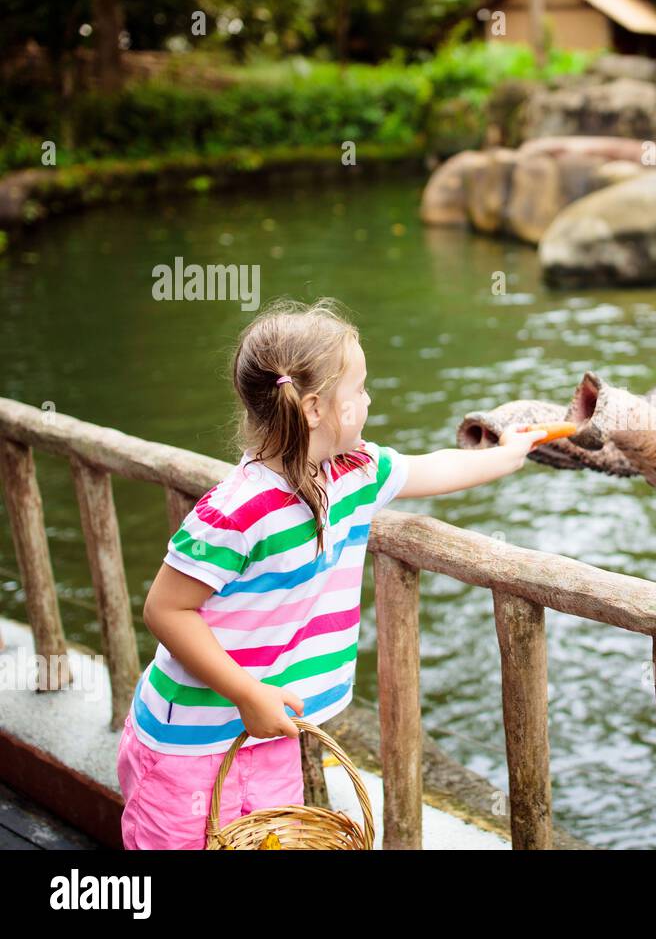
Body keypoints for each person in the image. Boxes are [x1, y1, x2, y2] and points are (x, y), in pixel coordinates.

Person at [117, 298, 546, 849]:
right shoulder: (237, 509)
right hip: (191, 740)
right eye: (361, 390)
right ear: (316, 408)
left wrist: (509, 454)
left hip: (270, 731)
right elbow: (165, 608)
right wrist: (247, 692)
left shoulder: (354, 473)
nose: (369, 400)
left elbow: (434, 466)